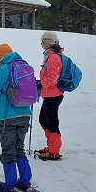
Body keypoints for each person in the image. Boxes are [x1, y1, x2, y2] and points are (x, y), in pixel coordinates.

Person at [0, 44, 34, 192]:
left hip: (6, 116)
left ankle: (9, 185)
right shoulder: (25, 66)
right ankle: (25, 182)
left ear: (0, 57)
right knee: (19, 148)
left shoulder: (2, 70)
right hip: (25, 114)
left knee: (8, 150)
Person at [36, 31, 64, 161]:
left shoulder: (53, 57)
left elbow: (53, 77)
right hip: (49, 94)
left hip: (53, 94)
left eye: (42, 41)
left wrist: (41, 84)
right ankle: (51, 147)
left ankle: (54, 151)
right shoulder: (50, 56)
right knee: (44, 120)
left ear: (47, 43)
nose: (41, 43)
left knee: (51, 122)